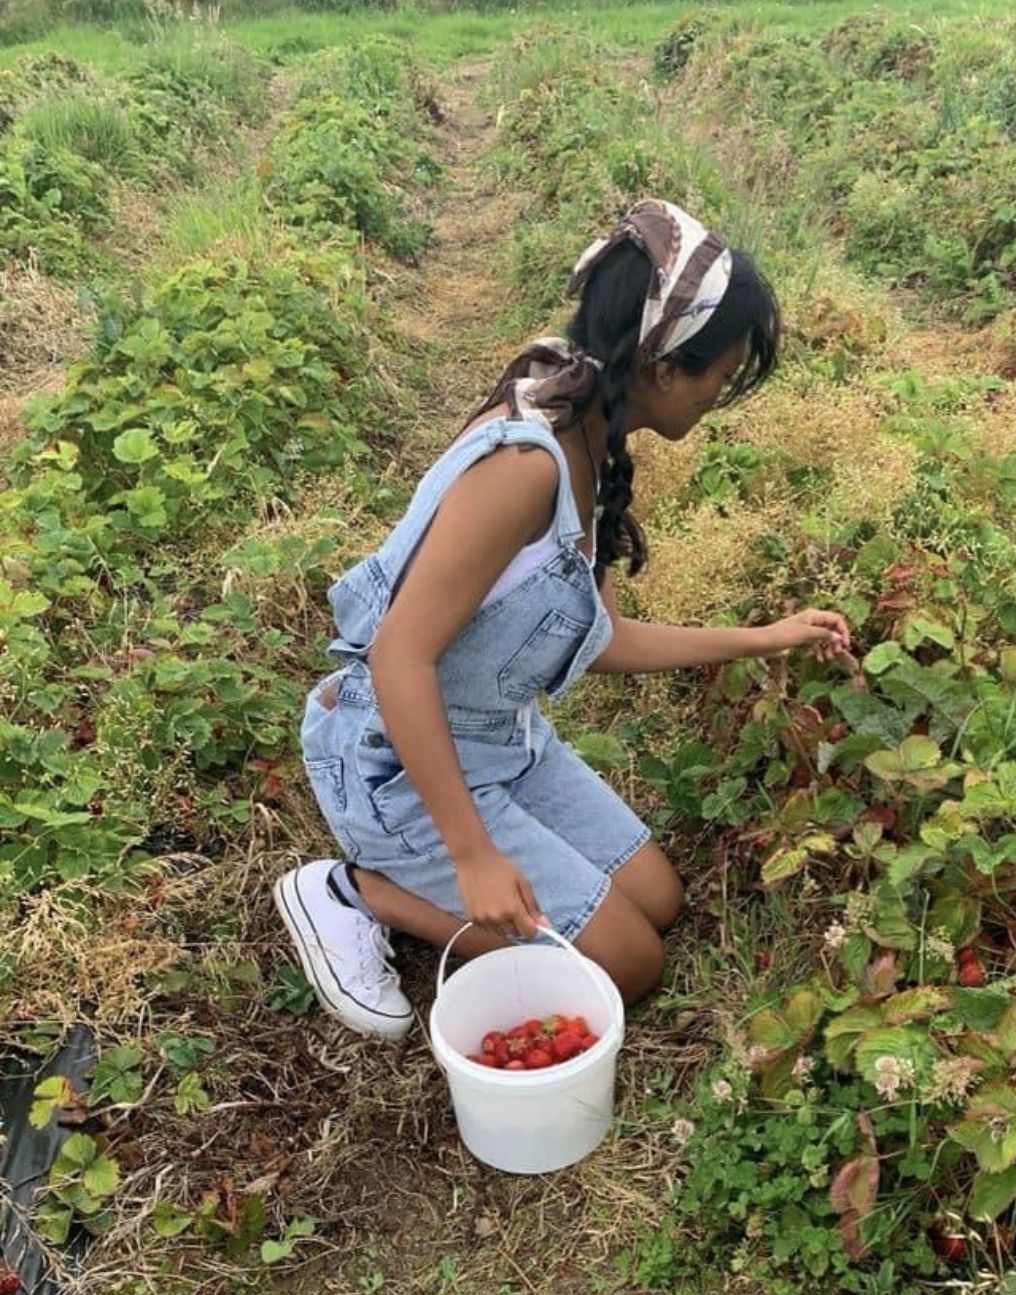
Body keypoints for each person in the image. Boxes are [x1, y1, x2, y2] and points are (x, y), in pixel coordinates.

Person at [273, 198, 851, 1039]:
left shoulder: (591, 430)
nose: (718, 401)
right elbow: (400, 655)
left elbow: (603, 638)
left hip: (499, 742)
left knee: (660, 898)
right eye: (719, 380)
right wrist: (474, 855)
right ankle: (354, 891)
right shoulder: (527, 469)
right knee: (631, 963)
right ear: (662, 369)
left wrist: (767, 637)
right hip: (395, 763)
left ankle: (446, 870)